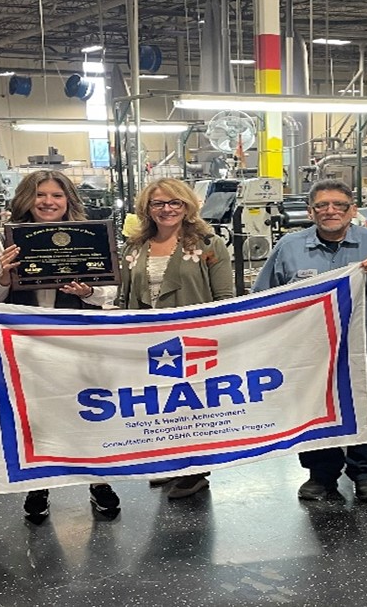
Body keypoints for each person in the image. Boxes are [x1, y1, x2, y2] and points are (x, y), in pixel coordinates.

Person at [252, 178, 367, 503]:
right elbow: (264, 295)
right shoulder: (290, 247)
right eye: (322, 206)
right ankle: (321, 474)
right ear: (311, 211)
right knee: (315, 407)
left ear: (352, 209)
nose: (331, 211)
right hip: (313, 345)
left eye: (339, 205)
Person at [0, 169, 120, 523]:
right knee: (35, 416)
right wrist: (4, 278)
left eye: (56, 196)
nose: (48, 202)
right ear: (26, 199)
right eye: (40, 195)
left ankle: (97, 480)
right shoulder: (3, 240)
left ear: (68, 200)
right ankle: (38, 484)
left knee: (88, 411)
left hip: (77, 340)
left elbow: (109, 292)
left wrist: (87, 292)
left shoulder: (89, 237)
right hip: (26, 342)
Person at [119, 177, 234, 499]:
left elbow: (224, 295)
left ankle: (195, 470)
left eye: (174, 203)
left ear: (187, 206)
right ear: (147, 208)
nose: (166, 209)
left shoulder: (208, 244)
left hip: (192, 339)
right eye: (158, 203)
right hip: (149, 338)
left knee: (192, 406)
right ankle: (170, 462)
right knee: (158, 405)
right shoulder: (135, 246)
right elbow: (125, 292)